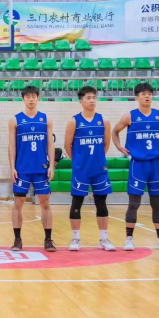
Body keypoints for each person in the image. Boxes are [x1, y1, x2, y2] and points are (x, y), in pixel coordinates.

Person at [112, 83, 159, 252]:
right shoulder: (129, 116)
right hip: (138, 164)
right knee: (134, 203)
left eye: (150, 94)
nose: (147, 96)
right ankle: (129, 238)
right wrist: (119, 147)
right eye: (144, 94)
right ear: (137, 97)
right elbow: (115, 132)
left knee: (156, 203)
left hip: (156, 164)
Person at [64, 86, 115, 252]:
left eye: (94, 97)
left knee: (101, 203)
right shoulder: (74, 121)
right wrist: (78, 161)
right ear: (81, 101)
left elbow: (106, 144)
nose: (92, 100)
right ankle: (75, 238)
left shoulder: (104, 120)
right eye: (88, 98)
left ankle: (104, 239)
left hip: (99, 169)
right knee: (77, 203)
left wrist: (97, 159)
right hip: (81, 170)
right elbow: (67, 146)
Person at [8, 85, 56, 252]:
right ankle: (17, 240)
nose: (30, 99)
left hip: (41, 169)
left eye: (33, 96)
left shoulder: (46, 119)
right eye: (27, 96)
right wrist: (12, 167)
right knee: (18, 202)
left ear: (38, 98)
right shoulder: (15, 120)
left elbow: (50, 144)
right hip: (22, 169)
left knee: (45, 203)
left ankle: (48, 239)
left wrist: (51, 165)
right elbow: (12, 145)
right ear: (23, 99)